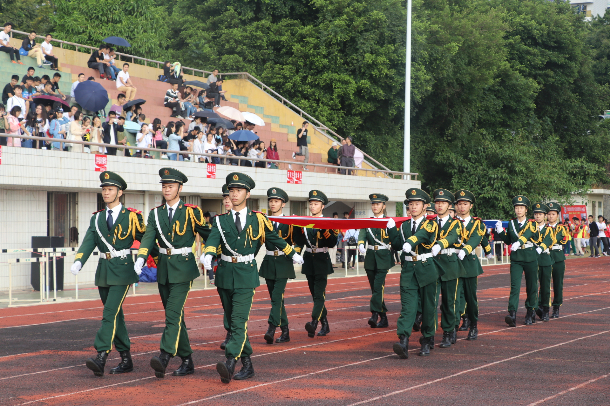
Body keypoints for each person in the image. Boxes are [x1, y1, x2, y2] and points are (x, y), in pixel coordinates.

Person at [201, 173, 302, 384]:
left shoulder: (258, 219)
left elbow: (273, 237)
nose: (234, 194)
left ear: (247, 194)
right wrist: (208, 253)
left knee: (239, 320)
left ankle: (230, 361)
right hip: (225, 275)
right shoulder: (220, 220)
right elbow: (212, 239)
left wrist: (291, 252)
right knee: (233, 322)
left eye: (238, 190)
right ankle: (247, 365)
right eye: (231, 190)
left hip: (246, 274)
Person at [135, 168, 211, 378]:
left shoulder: (191, 212)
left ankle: (165, 355)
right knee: (176, 317)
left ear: (180, 188)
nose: (166, 189)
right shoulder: (155, 213)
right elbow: (148, 237)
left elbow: (208, 233)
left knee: (172, 313)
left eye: (170, 186)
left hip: (184, 268)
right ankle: (187, 360)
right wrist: (141, 257)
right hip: (164, 269)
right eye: (164, 186)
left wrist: (212, 252)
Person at [69, 171, 147, 376]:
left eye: (110, 189)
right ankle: (126, 359)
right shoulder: (97, 218)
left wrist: (147, 258)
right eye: (104, 189)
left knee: (109, 313)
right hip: (104, 270)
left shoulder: (132, 216)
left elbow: (147, 239)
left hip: (123, 270)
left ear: (119, 192)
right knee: (116, 316)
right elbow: (89, 241)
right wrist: (79, 260)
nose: (106, 192)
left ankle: (101, 355)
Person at [388, 188, 439, 358]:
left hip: (426, 267)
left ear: (425, 206)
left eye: (417, 204)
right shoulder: (404, 226)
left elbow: (423, 235)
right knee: (408, 307)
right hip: (409, 269)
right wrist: (391, 231)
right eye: (411, 204)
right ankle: (403, 340)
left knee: (428, 307)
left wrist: (410, 241)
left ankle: (427, 339)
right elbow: (397, 245)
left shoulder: (430, 223)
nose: (413, 207)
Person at [292, 190, 338, 339]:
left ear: (322, 206)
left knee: (319, 294)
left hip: (321, 259)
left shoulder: (329, 222)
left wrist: (324, 229)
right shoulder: (304, 222)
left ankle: (313, 322)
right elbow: (299, 241)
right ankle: (325, 324)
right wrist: (296, 253)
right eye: (311, 204)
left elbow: (332, 243)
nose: (313, 206)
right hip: (308, 260)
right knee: (315, 295)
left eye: (316, 204)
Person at [493, 195, 541, 327]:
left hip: (530, 256)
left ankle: (530, 311)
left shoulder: (532, 223)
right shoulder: (511, 223)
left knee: (532, 286)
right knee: (515, 286)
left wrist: (519, 242)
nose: (519, 210)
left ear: (526, 210)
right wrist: (500, 232)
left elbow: (528, 234)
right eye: (516, 207)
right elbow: (508, 240)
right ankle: (512, 313)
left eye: (521, 207)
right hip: (516, 258)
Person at [427, 189, 466, 347]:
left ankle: (449, 331)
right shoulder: (429, 223)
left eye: (443, 203)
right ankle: (429, 334)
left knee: (449, 302)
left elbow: (452, 236)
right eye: (437, 202)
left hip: (449, 264)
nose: (439, 205)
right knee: (431, 302)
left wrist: (440, 244)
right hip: (433, 264)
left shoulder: (456, 223)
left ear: (449, 205)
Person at [260, 187, 299, 344]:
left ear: (283, 204)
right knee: (277, 300)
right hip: (269, 262)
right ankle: (285, 331)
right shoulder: (264, 221)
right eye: (271, 201)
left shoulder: (289, 222)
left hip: (283, 262)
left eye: (276, 201)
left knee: (277, 296)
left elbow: (298, 240)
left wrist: (295, 253)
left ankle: (271, 327)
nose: (273, 204)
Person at [357, 193, 392, 329]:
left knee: (378, 287)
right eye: (373, 204)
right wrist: (361, 244)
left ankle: (375, 314)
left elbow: (394, 238)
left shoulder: (389, 221)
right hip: (371, 257)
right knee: (375, 289)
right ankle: (384, 318)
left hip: (383, 257)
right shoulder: (368, 221)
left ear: (384, 206)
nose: (375, 206)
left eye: (378, 204)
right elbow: (362, 234)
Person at [531, 203, 555, 322]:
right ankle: (533, 309)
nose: (537, 216)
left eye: (540, 214)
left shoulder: (549, 229)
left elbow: (549, 240)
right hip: (532, 259)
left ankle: (545, 309)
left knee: (545, 287)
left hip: (545, 259)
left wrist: (541, 247)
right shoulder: (529, 228)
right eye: (536, 214)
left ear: (545, 216)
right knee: (532, 286)